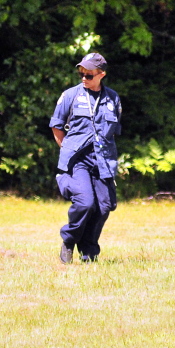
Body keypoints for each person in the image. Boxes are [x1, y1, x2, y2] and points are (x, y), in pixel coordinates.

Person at [49, 52, 123, 263]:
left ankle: (89, 252)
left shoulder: (113, 98)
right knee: (85, 203)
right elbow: (56, 126)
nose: (84, 78)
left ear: (101, 75)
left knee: (104, 206)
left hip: (102, 160)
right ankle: (69, 241)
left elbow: (113, 132)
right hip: (77, 160)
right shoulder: (70, 95)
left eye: (89, 75)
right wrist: (67, 149)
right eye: (81, 73)